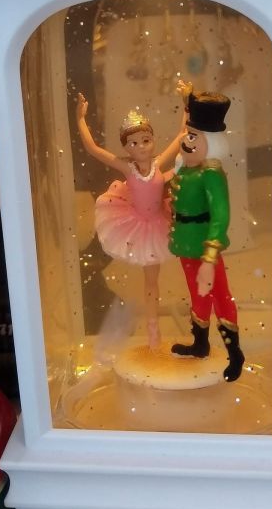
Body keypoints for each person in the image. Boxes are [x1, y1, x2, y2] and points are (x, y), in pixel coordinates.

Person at [76, 86, 187, 349]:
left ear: (153, 140)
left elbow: (182, 135)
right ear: (126, 147)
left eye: (145, 140)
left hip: (158, 224)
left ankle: (153, 332)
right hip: (134, 224)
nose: (140, 147)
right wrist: (80, 118)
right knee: (142, 279)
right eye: (133, 143)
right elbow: (92, 148)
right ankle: (145, 329)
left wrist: (186, 103)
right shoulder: (127, 167)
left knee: (152, 281)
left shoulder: (158, 163)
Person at [169, 90, 245, 382]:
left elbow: (220, 216)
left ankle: (235, 353)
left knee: (219, 297)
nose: (187, 141)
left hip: (203, 248)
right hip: (186, 245)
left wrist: (209, 259)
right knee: (198, 296)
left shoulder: (211, 174)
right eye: (188, 135)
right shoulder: (186, 170)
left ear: (210, 143)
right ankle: (200, 344)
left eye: (194, 137)